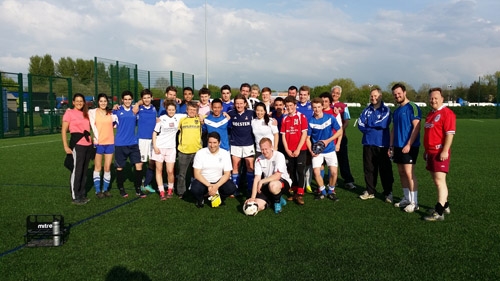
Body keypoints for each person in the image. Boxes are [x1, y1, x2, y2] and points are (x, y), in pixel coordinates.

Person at [423, 87, 456, 221]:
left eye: (436, 98)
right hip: (430, 152)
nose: (433, 100)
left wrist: (444, 150)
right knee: (436, 181)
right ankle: (445, 204)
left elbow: (449, 134)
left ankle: (439, 212)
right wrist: (426, 151)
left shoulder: (447, 113)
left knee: (439, 181)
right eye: (431, 98)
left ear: (442, 99)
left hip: (439, 152)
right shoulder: (431, 114)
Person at [357, 87, 394, 203]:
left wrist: (369, 125)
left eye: (375, 96)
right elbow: (360, 123)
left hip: (382, 144)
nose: (373, 98)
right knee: (369, 168)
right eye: (372, 96)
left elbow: (383, 123)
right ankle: (370, 191)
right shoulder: (366, 110)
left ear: (380, 96)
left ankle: (388, 192)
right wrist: (370, 128)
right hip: (368, 142)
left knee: (385, 169)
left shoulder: (386, 110)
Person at [390, 83, 421, 213]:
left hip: (410, 146)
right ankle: (407, 198)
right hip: (397, 146)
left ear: (404, 92)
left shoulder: (412, 107)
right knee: (401, 173)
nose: (397, 96)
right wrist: (391, 146)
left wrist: (408, 144)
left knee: (409, 173)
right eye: (395, 94)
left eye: (399, 93)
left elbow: (417, 126)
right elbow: (393, 129)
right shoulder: (396, 111)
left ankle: (415, 202)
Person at [307, 98, 343, 201]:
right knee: (316, 172)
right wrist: (311, 150)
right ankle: (322, 191)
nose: (317, 109)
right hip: (317, 151)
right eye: (314, 107)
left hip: (330, 150)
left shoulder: (330, 118)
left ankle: (331, 191)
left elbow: (339, 131)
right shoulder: (310, 121)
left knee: (334, 172)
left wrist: (328, 141)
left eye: (319, 107)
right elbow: (307, 138)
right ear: (312, 108)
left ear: (322, 106)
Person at [113, 90, 146, 198]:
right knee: (120, 167)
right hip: (120, 143)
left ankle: (138, 188)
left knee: (139, 165)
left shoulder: (135, 110)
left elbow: (145, 101)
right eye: (125, 99)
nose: (127, 101)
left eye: (129, 99)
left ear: (132, 100)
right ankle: (121, 188)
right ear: (122, 100)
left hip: (133, 143)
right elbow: (110, 122)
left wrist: (137, 103)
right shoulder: (117, 110)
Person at [190, 132, 237, 208]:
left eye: (215, 143)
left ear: (219, 142)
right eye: (210, 142)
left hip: (218, 181)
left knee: (231, 188)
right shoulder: (200, 153)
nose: (212, 145)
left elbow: (227, 174)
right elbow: (197, 174)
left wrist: (216, 186)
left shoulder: (225, 153)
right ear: (207, 142)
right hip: (204, 181)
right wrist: (209, 185)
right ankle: (200, 199)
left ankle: (219, 196)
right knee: (195, 189)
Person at [61, 93, 93, 205]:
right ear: (73, 102)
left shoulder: (86, 113)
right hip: (77, 145)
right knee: (77, 170)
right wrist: (65, 146)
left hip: (88, 144)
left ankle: (81, 194)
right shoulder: (69, 113)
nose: (79, 103)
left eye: (81, 101)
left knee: (84, 171)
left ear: (84, 102)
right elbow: (64, 130)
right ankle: (75, 196)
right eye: (77, 101)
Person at [245, 138, 291, 214]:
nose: (264, 151)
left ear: (271, 147)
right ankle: (278, 198)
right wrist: (253, 197)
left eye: (266, 149)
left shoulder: (279, 156)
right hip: (267, 184)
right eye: (262, 149)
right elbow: (257, 178)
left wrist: (262, 181)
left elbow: (277, 176)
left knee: (273, 185)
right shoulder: (258, 159)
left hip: (282, 182)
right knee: (258, 205)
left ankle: (277, 202)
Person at [152, 100, 186, 200]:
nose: (171, 111)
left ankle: (170, 189)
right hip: (159, 147)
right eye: (169, 110)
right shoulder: (161, 119)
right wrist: (155, 146)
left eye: (173, 110)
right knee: (159, 170)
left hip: (171, 148)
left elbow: (192, 113)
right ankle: (162, 191)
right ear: (166, 110)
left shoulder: (179, 117)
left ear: (176, 110)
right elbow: (154, 133)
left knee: (170, 171)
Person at [89, 93, 117, 198]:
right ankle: (97, 190)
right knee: (97, 167)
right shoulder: (92, 112)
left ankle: (105, 190)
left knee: (107, 167)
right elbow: (81, 111)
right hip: (98, 143)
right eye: (101, 101)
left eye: (105, 101)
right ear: (98, 102)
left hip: (110, 143)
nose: (103, 103)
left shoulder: (111, 113)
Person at [281, 96, 308, 205]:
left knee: (300, 170)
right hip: (289, 150)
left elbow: (304, 134)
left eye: (291, 105)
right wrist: (287, 149)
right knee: (291, 170)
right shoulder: (284, 118)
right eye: (287, 106)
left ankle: (300, 194)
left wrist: (297, 149)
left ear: (295, 106)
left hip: (300, 149)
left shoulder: (301, 117)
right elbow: (283, 135)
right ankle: (295, 192)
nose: (289, 108)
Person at [228, 94, 255, 196]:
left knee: (250, 166)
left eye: (241, 103)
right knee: (235, 166)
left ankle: (250, 188)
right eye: (237, 103)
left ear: (245, 104)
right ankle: (234, 189)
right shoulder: (230, 114)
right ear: (234, 104)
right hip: (235, 144)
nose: (239, 106)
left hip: (248, 144)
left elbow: (263, 117)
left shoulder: (252, 113)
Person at [133, 89, 158, 194]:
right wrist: (138, 103)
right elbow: (132, 111)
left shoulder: (154, 108)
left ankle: (146, 184)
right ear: (142, 99)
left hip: (153, 139)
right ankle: (138, 184)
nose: (147, 99)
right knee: (141, 162)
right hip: (142, 139)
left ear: (151, 98)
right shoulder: (139, 108)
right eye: (144, 98)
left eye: (148, 97)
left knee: (152, 162)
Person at [331, 85, 356, 190]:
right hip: (330, 138)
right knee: (330, 160)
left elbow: (346, 121)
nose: (335, 94)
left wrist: (340, 131)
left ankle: (348, 181)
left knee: (343, 160)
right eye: (334, 92)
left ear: (340, 95)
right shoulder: (326, 104)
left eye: (337, 93)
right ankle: (333, 180)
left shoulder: (344, 106)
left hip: (341, 137)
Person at [176, 101, 203, 198]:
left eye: (194, 110)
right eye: (190, 109)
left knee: (197, 173)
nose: (192, 111)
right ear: (186, 110)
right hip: (184, 151)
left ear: (197, 111)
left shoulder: (200, 119)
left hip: (197, 151)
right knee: (182, 173)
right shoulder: (182, 120)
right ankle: (181, 192)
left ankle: (197, 189)